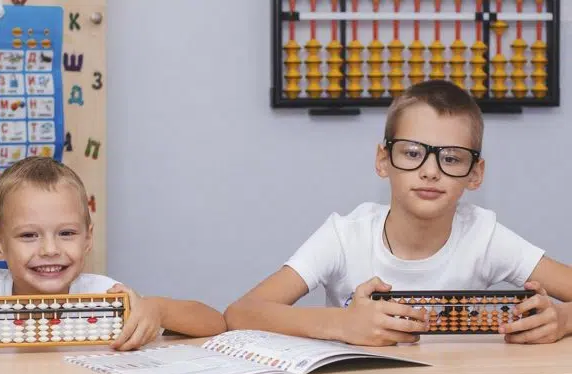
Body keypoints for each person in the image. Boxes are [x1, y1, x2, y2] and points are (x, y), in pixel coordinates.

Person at [224, 80, 572, 346]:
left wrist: (564, 319)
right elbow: (241, 313)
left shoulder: (483, 235)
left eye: (451, 158)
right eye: (411, 153)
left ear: (475, 174)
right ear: (382, 160)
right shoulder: (344, 236)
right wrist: (342, 324)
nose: (430, 171)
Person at [0, 156, 226, 355]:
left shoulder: (106, 295)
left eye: (67, 233)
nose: (50, 249)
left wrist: (159, 309)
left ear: (88, 238)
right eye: (29, 235)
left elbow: (214, 323)